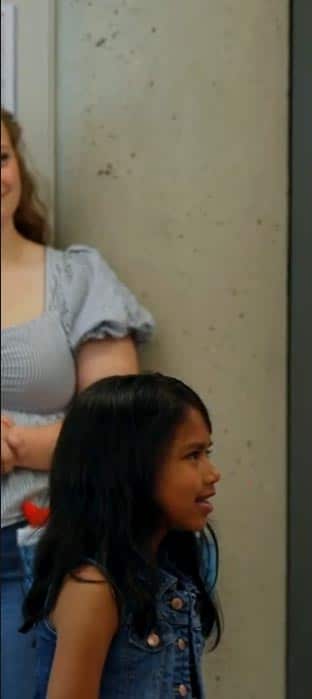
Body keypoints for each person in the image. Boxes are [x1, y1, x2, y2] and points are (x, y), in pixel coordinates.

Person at [0, 109, 154, 699]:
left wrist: (14, 446)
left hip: (32, 554)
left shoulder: (76, 279)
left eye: (2, 157)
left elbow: (118, 430)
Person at [21, 374, 222, 698]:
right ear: (129, 468)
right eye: (192, 455)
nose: (213, 473)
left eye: (207, 452)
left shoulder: (171, 575)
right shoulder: (94, 590)